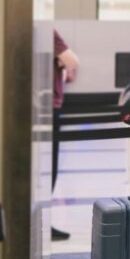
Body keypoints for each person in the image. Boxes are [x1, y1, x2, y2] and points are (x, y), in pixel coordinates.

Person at [51, 30, 80, 242]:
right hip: (49, 106)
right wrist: (64, 66)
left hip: (37, 105)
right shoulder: (50, 33)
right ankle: (39, 222)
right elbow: (72, 61)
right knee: (48, 168)